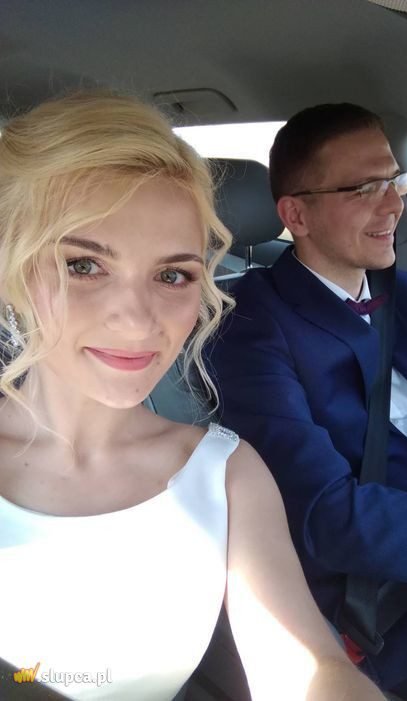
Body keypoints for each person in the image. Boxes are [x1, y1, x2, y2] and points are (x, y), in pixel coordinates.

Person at [0, 93, 385, 701]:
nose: (137, 322)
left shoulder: (227, 474)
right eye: (83, 266)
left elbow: (306, 664)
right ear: (13, 269)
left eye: (172, 275)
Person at [208, 103, 407, 701]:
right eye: (362, 188)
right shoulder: (251, 324)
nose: (393, 205)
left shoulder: (403, 293)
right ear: (296, 214)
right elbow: (326, 516)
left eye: (394, 180)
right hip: (382, 608)